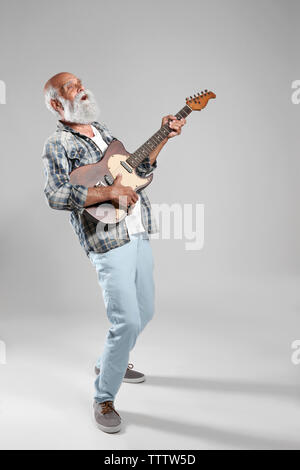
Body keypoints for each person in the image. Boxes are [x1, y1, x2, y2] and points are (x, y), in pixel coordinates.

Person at [42, 72, 186, 433]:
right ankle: (104, 396)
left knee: (146, 311)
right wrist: (108, 194)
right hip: (107, 240)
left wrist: (164, 135)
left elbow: (138, 170)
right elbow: (57, 195)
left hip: (138, 229)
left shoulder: (104, 133)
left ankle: (109, 360)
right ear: (58, 103)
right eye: (72, 87)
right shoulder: (58, 143)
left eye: (80, 82)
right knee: (127, 321)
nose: (82, 88)